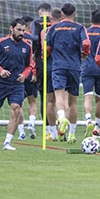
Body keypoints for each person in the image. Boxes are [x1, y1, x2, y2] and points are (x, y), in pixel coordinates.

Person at [0, 18, 34, 150]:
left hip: (17, 85)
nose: (21, 33)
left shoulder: (27, 47)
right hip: (1, 83)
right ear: (11, 28)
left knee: (16, 110)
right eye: (19, 30)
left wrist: (24, 75)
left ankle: (7, 142)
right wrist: (0, 70)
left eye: (23, 30)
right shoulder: (0, 43)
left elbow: (29, 65)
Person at [46, 3, 91, 144]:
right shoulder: (79, 27)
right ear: (74, 14)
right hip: (74, 67)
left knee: (58, 96)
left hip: (58, 66)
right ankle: (71, 134)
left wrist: (47, 55)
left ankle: (61, 118)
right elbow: (87, 43)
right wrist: (84, 54)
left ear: (62, 14)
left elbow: (46, 47)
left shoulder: (53, 28)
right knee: (72, 101)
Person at [82, 10, 100, 138]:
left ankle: (88, 120)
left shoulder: (85, 32)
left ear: (90, 20)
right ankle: (97, 127)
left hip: (87, 68)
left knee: (88, 96)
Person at [26, 2, 51, 138]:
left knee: (43, 96)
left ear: (39, 12)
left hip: (42, 62)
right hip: (56, 62)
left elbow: (35, 38)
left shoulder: (36, 23)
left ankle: (47, 129)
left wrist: (26, 36)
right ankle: (58, 128)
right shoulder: (54, 23)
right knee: (59, 96)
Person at [42, 8, 63, 141]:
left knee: (50, 100)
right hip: (67, 67)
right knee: (66, 100)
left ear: (50, 18)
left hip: (50, 67)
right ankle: (66, 131)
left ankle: (53, 132)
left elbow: (45, 51)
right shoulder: (68, 29)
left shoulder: (46, 30)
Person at [20, 15, 39, 140]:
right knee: (32, 101)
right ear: (29, 25)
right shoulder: (34, 39)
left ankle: (21, 132)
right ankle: (31, 123)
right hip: (31, 73)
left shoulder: (16, 38)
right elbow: (36, 56)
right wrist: (35, 72)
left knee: (18, 104)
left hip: (19, 73)